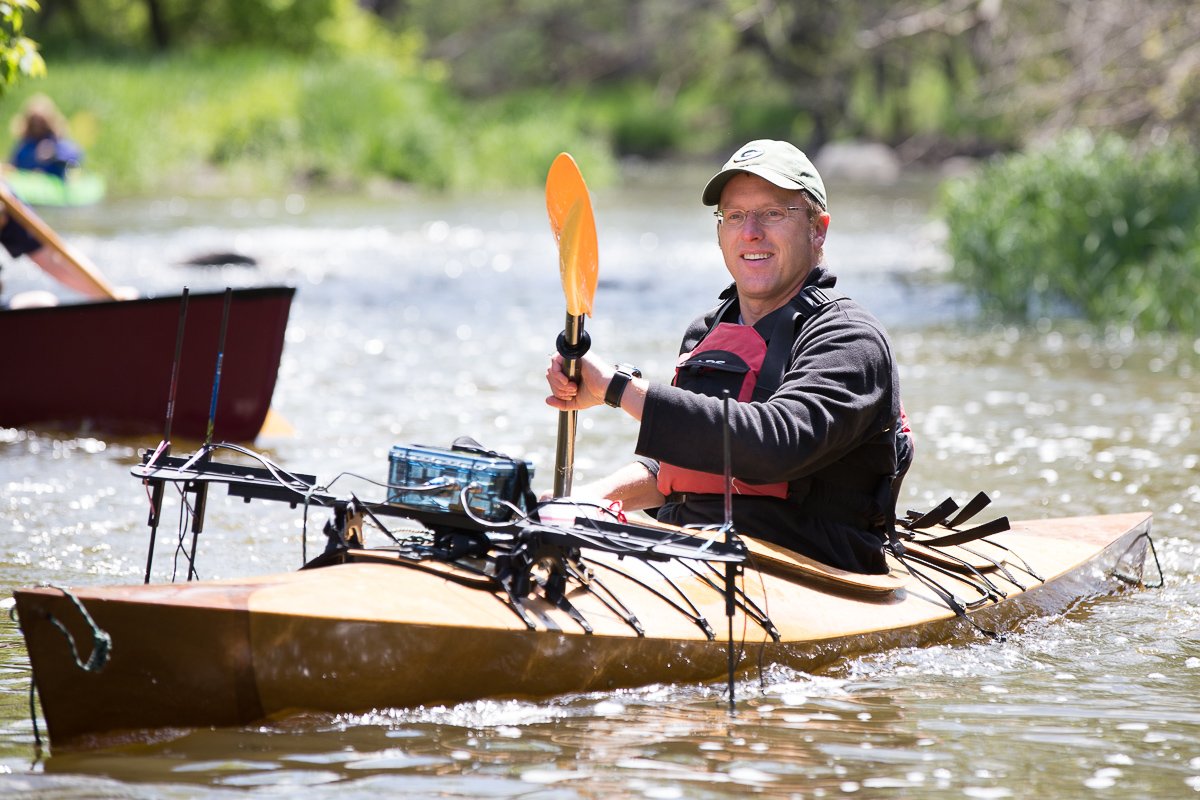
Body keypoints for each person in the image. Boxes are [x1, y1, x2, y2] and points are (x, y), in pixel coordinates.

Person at [545, 139, 911, 575]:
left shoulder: (850, 339)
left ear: (818, 229)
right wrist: (592, 497)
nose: (750, 231)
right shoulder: (706, 331)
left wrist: (618, 388)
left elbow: (773, 444)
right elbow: (682, 464)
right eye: (734, 216)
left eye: (772, 213)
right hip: (694, 551)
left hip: (807, 569)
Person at [9, 94, 83, 179]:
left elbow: (75, 155)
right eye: (34, 121)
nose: (37, 125)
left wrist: (54, 155)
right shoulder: (25, 144)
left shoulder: (56, 141)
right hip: (28, 183)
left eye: (41, 121)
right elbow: (14, 163)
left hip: (53, 182)